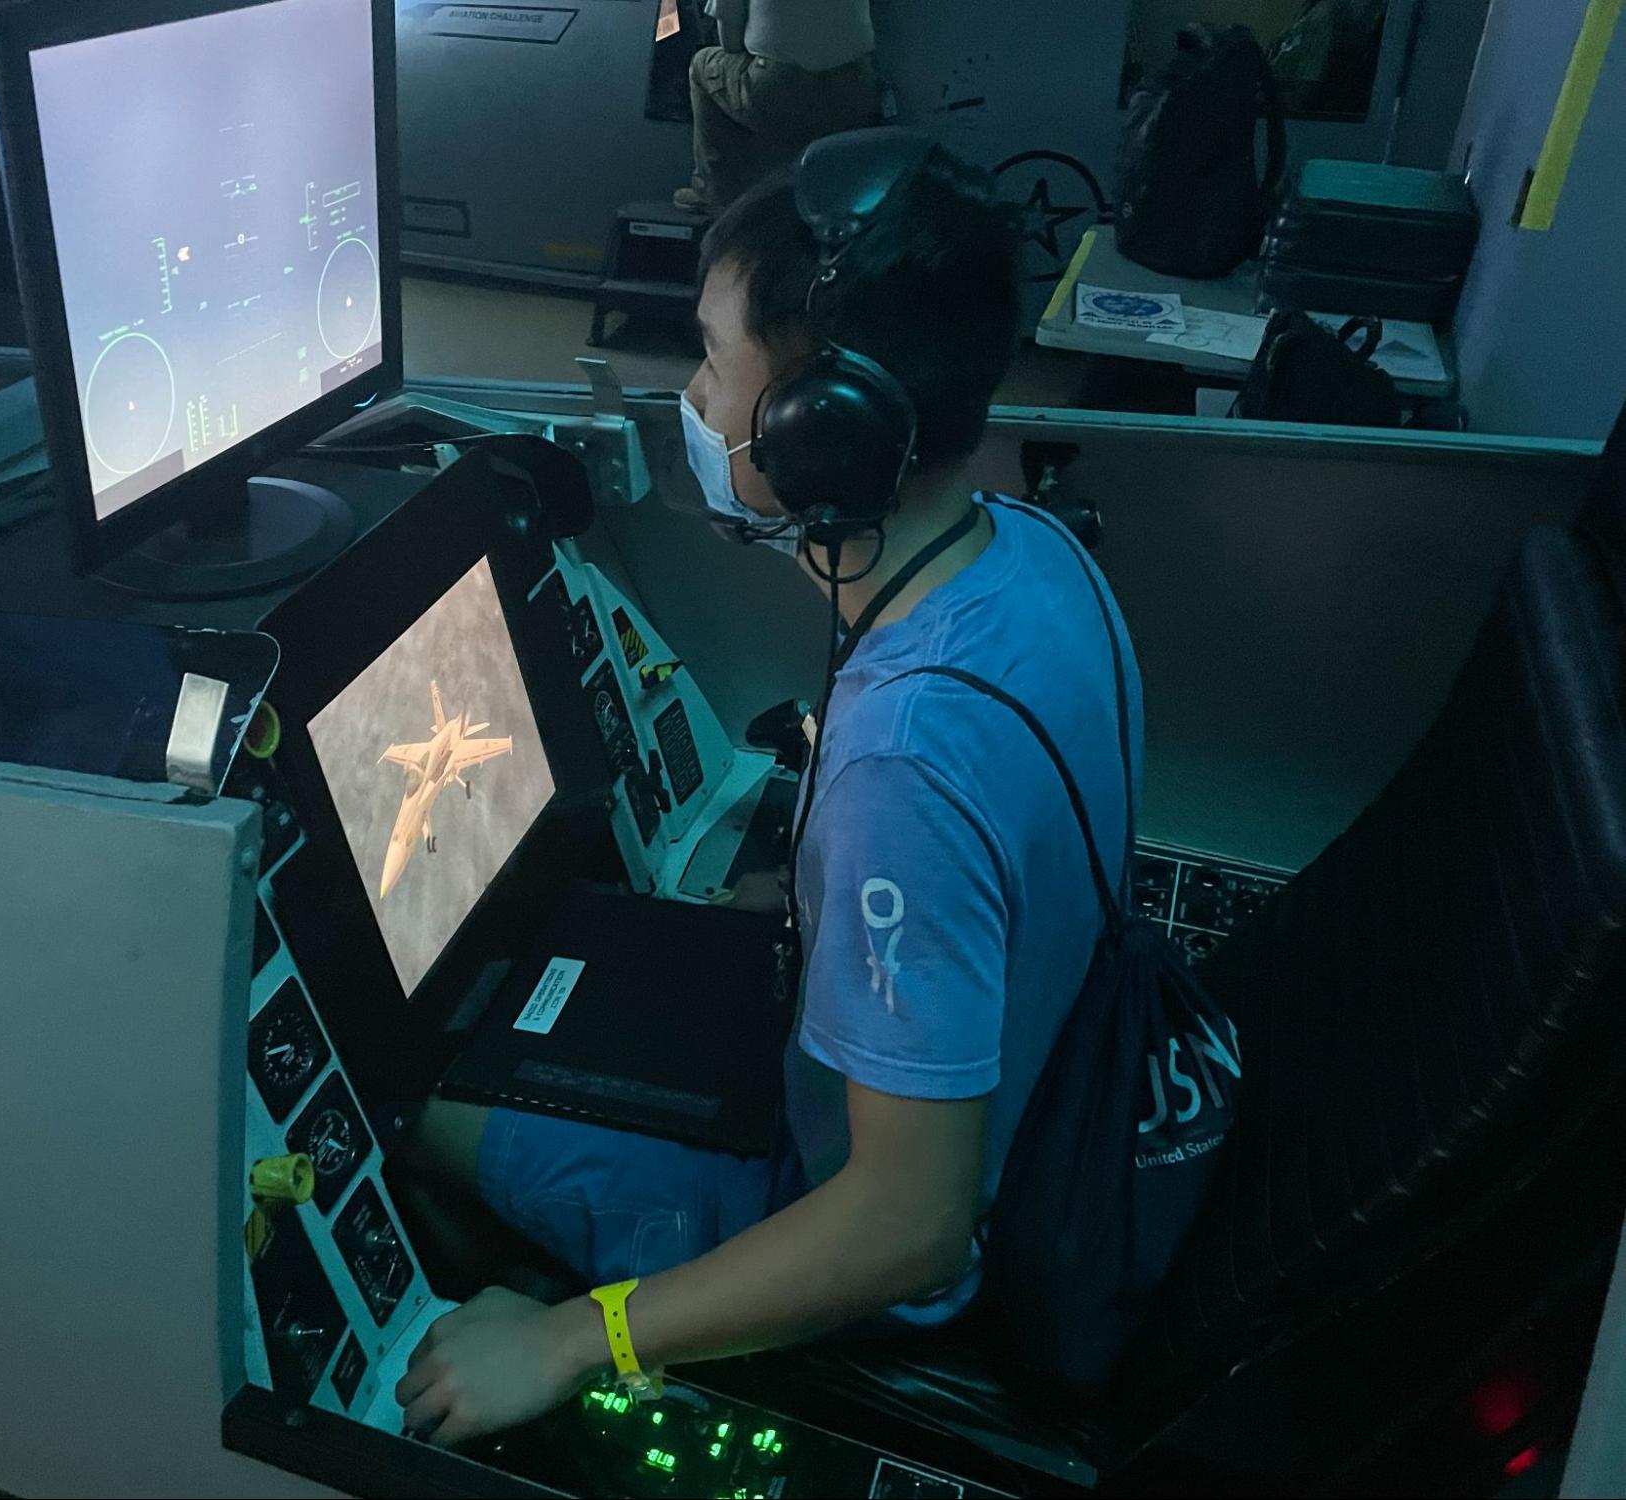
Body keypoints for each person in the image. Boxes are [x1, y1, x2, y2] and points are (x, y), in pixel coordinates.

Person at [395, 144, 1144, 1447]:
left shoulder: (902, 768)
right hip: (991, 1078)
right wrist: (809, 903)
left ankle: (527, 1324)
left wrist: (578, 1337)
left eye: (707, 361)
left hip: (866, 1229)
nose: (687, 396)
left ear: (820, 428)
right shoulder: (1026, 552)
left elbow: (908, 1229)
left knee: (415, 1104)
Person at [675, 0, 884, 212]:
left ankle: (714, 193)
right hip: (855, 92)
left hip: (779, 93)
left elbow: (730, 43)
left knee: (703, 64)